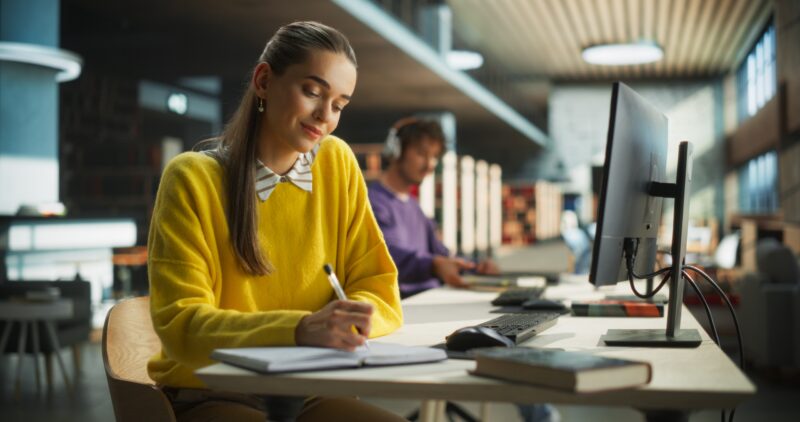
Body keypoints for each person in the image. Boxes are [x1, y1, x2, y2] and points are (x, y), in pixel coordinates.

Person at [147, 21, 404, 422]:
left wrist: (350, 321)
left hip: (311, 389)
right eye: (313, 92)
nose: (325, 116)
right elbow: (181, 325)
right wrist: (300, 329)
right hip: (213, 390)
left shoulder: (337, 162)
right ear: (264, 81)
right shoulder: (192, 178)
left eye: (338, 105)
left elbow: (380, 289)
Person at [367, 117, 498, 299]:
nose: (430, 164)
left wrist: (473, 266)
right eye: (422, 153)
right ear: (396, 151)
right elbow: (387, 256)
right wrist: (433, 265)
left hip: (429, 297)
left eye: (435, 157)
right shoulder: (373, 202)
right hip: (403, 306)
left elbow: (440, 253)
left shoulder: (414, 207)